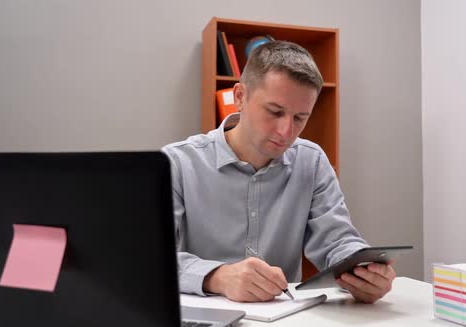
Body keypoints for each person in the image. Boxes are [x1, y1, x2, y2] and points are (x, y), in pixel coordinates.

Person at [162, 40, 395, 303]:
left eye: (300, 118)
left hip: (284, 321)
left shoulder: (313, 161)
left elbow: (338, 241)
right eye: (274, 111)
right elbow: (150, 257)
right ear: (240, 96)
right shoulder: (176, 163)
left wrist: (363, 271)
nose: (286, 132)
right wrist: (217, 276)